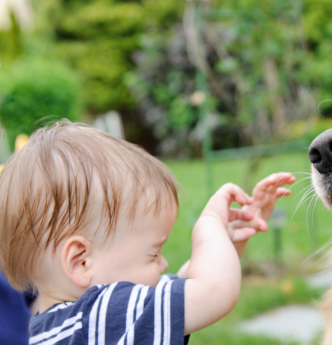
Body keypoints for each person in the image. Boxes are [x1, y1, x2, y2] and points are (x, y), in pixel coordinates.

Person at [0, 121, 295, 345]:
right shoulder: (99, 317)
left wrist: (226, 243)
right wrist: (210, 227)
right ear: (80, 261)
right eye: (153, 253)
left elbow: (186, 285)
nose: (163, 264)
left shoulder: (58, 327)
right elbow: (212, 291)